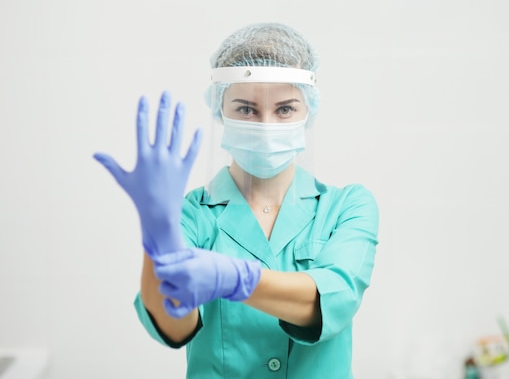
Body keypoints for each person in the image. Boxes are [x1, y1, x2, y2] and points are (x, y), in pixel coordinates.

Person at [94, 22, 379, 379]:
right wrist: (157, 230)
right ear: (219, 109)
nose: (265, 123)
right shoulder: (192, 213)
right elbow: (172, 325)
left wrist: (234, 279)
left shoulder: (347, 206)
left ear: (309, 110)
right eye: (246, 109)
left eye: (285, 109)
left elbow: (336, 297)